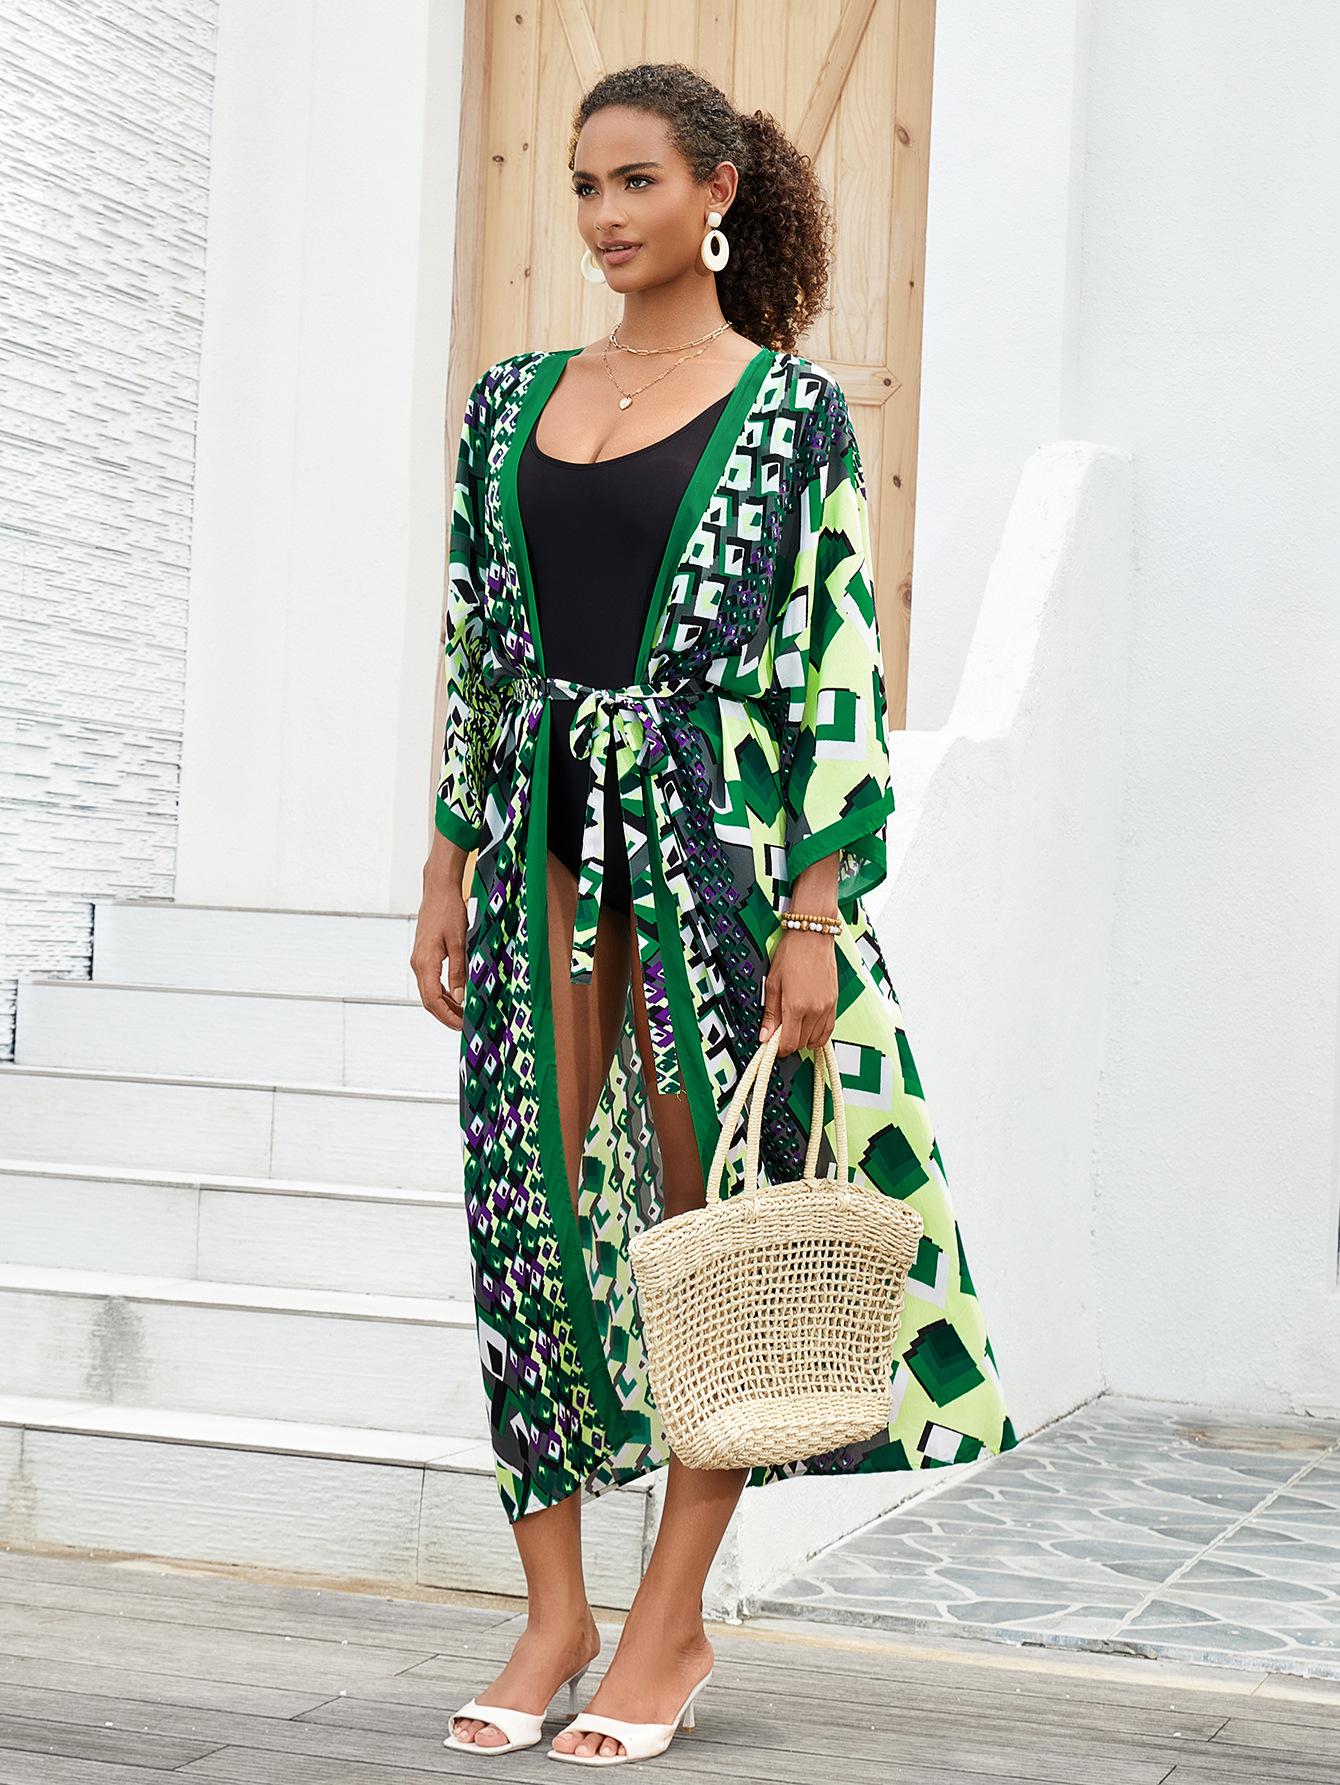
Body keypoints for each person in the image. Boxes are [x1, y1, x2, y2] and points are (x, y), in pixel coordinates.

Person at [411, 61, 1018, 1766]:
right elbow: (478, 644)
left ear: (718, 192)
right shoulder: (509, 401)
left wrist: (816, 911)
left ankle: (666, 1622)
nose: (605, 215)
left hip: (717, 859)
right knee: (526, 1215)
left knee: (715, 1230)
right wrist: (448, 858)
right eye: (584, 186)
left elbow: (837, 666)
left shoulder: (791, 415)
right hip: (540, 851)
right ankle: (553, 1611)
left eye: (638, 182)